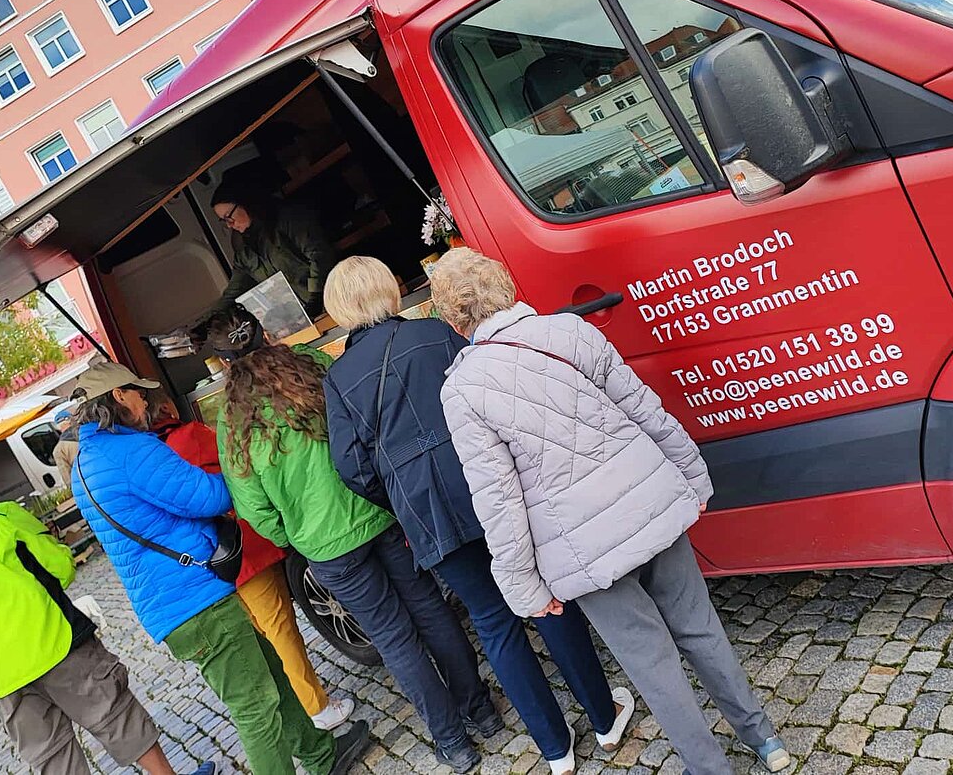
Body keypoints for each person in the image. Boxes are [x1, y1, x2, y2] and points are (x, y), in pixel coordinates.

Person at [431, 249, 791, 775]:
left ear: (452, 320)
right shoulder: (570, 332)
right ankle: (765, 739)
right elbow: (644, 408)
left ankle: (710, 768)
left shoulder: (462, 391)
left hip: (584, 549)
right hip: (650, 501)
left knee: (652, 663)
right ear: (506, 288)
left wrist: (523, 586)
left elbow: (498, 499)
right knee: (701, 629)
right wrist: (691, 473)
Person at [322, 256, 634, 774]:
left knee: (493, 623)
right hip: (487, 488)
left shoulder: (338, 378)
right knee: (545, 599)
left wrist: (402, 499)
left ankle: (555, 750)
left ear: (339, 310)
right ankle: (604, 718)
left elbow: (352, 468)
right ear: (389, 290)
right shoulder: (435, 334)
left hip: (428, 516)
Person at [70, 360, 368, 775]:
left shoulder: (84, 464)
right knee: (256, 706)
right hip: (198, 601)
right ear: (118, 396)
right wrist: (240, 467)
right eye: (137, 393)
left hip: (173, 605)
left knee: (272, 675)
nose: (144, 401)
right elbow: (206, 497)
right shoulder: (129, 450)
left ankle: (321, 755)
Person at [217, 343, 497, 774]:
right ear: (263, 333)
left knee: (393, 637)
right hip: (378, 510)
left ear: (222, 362)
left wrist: (293, 537)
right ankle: (482, 711)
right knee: (429, 607)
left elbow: (253, 507)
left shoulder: (232, 419)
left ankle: (453, 742)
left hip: (326, 546)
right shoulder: (311, 364)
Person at [0, 468, 208, 775]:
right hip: (58, 643)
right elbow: (61, 568)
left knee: (53, 758)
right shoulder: (2, 516)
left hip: (3, 677)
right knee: (116, 717)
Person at [148, 394, 353, 731]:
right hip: (247, 552)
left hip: (215, 563)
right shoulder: (189, 436)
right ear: (167, 408)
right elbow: (236, 464)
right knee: (281, 630)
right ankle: (316, 707)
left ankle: (299, 711)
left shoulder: (154, 456)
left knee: (265, 635)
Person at [206, 162, 336, 322]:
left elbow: (320, 255)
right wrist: (208, 321)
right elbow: (234, 290)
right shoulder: (244, 249)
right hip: (303, 315)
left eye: (229, 217)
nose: (229, 225)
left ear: (245, 202)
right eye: (224, 220)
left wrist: (316, 297)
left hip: (333, 297)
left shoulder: (288, 219)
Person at [52, 407, 79, 485]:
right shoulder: (87, 433)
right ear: (71, 420)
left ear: (58, 427)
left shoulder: (58, 450)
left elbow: (68, 479)